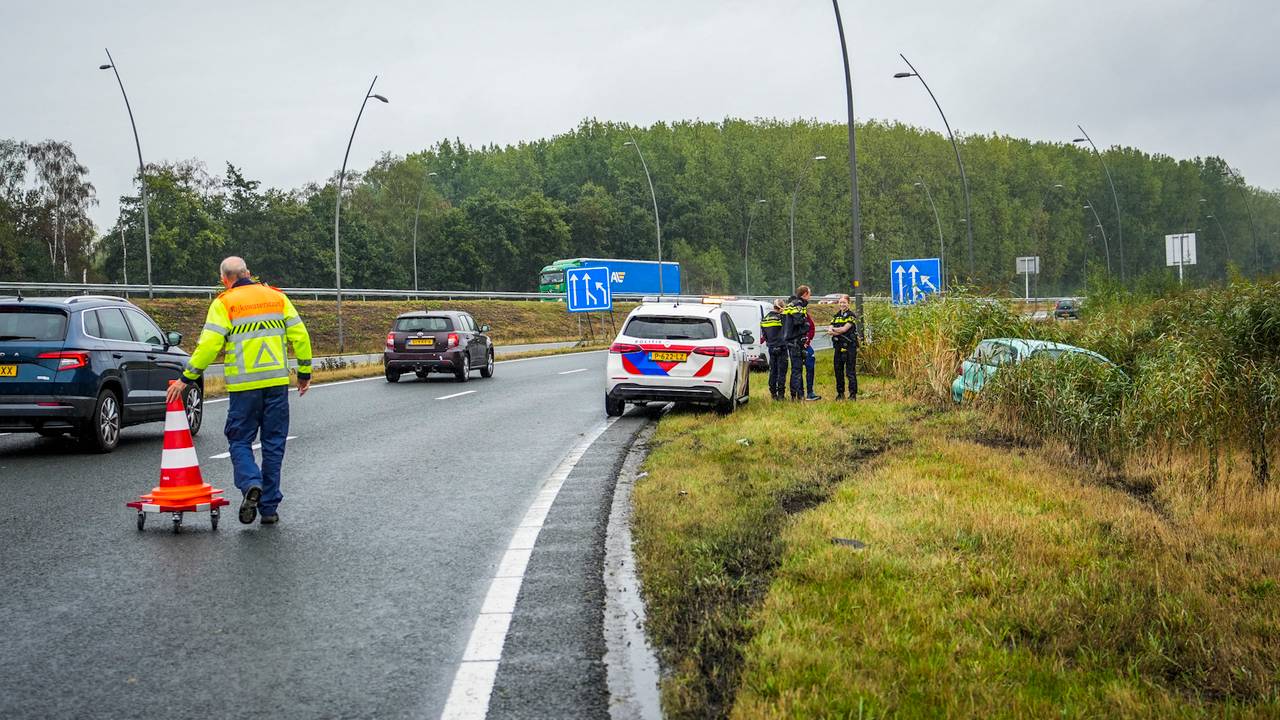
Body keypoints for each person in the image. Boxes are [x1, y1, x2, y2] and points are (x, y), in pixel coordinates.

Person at [166, 257, 312, 525]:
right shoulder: (277, 298)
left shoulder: (224, 303)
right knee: (274, 444)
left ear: (224, 279)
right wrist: (304, 373)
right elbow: (300, 336)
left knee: (240, 440)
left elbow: (209, 345)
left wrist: (186, 378)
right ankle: (269, 509)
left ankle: (251, 482)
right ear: (248, 273)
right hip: (276, 385)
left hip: (244, 389)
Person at [781, 285, 812, 401]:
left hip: (791, 340)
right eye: (809, 294)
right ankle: (797, 396)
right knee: (797, 369)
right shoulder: (798, 305)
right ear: (805, 294)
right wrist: (806, 325)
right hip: (795, 340)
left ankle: (797, 394)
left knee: (796, 368)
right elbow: (798, 321)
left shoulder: (791, 304)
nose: (810, 296)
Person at [828, 294, 858, 399]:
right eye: (840, 302)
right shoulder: (836, 316)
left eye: (844, 302)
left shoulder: (851, 316)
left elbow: (844, 329)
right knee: (838, 370)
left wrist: (835, 330)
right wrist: (836, 331)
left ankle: (852, 394)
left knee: (850, 371)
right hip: (838, 346)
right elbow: (829, 329)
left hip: (849, 347)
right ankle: (840, 393)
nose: (842, 304)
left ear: (848, 303)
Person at [759, 299, 788, 400]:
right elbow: (786, 332)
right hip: (781, 347)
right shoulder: (781, 318)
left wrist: (770, 343)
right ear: (781, 307)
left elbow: (764, 335)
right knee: (781, 371)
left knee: (773, 371)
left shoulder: (765, 319)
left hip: (771, 347)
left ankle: (773, 393)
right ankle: (781, 394)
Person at [803, 306, 821, 401]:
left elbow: (812, 328)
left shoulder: (806, 315)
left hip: (806, 346)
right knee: (796, 371)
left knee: (810, 367)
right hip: (795, 346)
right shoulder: (789, 315)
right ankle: (798, 394)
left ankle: (810, 392)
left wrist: (807, 340)